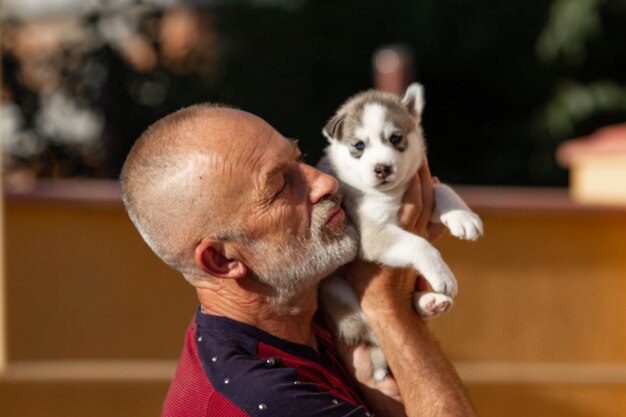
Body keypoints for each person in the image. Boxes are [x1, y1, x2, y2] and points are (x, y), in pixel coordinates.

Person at [120, 104, 477, 417]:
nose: (325, 182)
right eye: (279, 186)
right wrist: (387, 304)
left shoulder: (305, 321)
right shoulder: (262, 400)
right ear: (221, 260)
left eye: (299, 158)